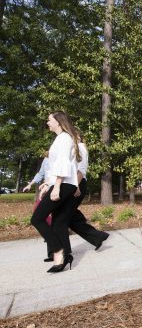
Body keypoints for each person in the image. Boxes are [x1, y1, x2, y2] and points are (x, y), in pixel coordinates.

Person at [31, 111, 80, 273]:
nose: (47, 122)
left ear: (58, 121)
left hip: (64, 184)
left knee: (37, 218)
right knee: (59, 222)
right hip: (63, 183)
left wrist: (56, 186)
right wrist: (48, 184)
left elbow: (63, 164)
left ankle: (58, 250)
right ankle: (67, 255)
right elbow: (55, 167)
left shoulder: (64, 138)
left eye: (49, 120)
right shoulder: (62, 139)